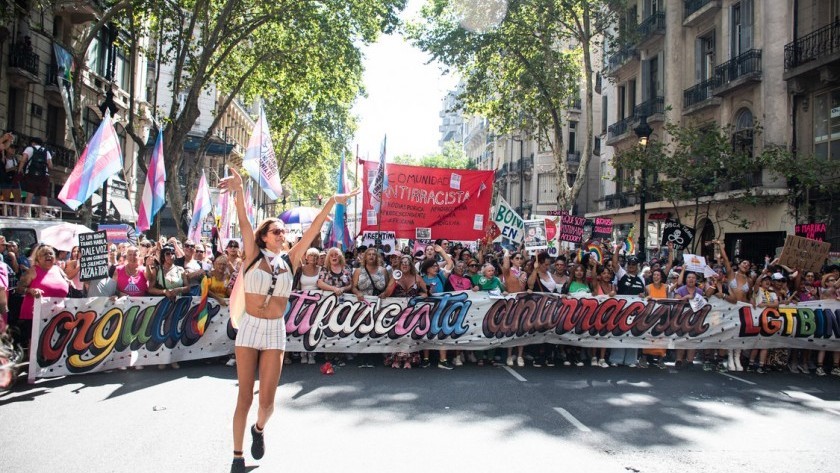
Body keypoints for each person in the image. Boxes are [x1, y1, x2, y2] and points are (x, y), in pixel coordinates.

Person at [220, 166, 357, 473]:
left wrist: (332, 203)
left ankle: (259, 429)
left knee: (267, 403)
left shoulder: (290, 259)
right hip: (250, 327)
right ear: (264, 237)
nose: (282, 234)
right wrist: (240, 190)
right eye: (277, 230)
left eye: (284, 230)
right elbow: (243, 221)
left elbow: (314, 230)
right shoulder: (253, 253)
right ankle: (237, 455)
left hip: (274, 331)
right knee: (244, 397)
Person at [16, 245, 70, 348]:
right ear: (38, 258)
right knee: (36, 344)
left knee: (51, 342)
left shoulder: (58, 269)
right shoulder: (33, 270)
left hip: (56, 313)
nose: (48, 256)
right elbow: (19, 288)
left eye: (51, 254)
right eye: (45, 254)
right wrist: (30, 290)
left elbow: (65, 280)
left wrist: (68, 282)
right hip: (35, 314)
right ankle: (32, 364)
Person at [351, 247, 389, 368]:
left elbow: (388, 287)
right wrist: (357, 293)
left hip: (378, 306)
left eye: (374, 254)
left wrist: (385, 293)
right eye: (369, 254)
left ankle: (373, 356)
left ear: (377, 257)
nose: (371, 256)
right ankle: (362, 357)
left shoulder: (383, 271)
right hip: (363, 305)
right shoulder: (358, 271)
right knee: (362, 330)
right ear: (365, 257)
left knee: (375, 330)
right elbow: (353, 286)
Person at [16, 137, 52, 211]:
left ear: (33, 143)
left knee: (29, 194)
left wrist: (19, 170)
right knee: (44, 195)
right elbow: (50, 165)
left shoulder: (29, 149)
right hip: (44, 176)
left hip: (31, 174)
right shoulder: (46, 151)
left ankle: (26, 212)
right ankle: (43, 213)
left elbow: (23, 160)